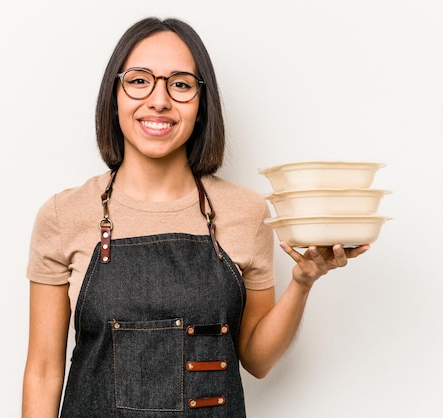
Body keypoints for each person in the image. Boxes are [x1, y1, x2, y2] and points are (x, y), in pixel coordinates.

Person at [22, 16, 369, 417]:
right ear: (113, 95)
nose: (159, 100)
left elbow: (256, 361)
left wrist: (303, 281)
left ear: (202, 106)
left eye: (181, 84)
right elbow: (44, 370)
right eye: (139, 80)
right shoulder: (63, 215)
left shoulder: (246, 212)